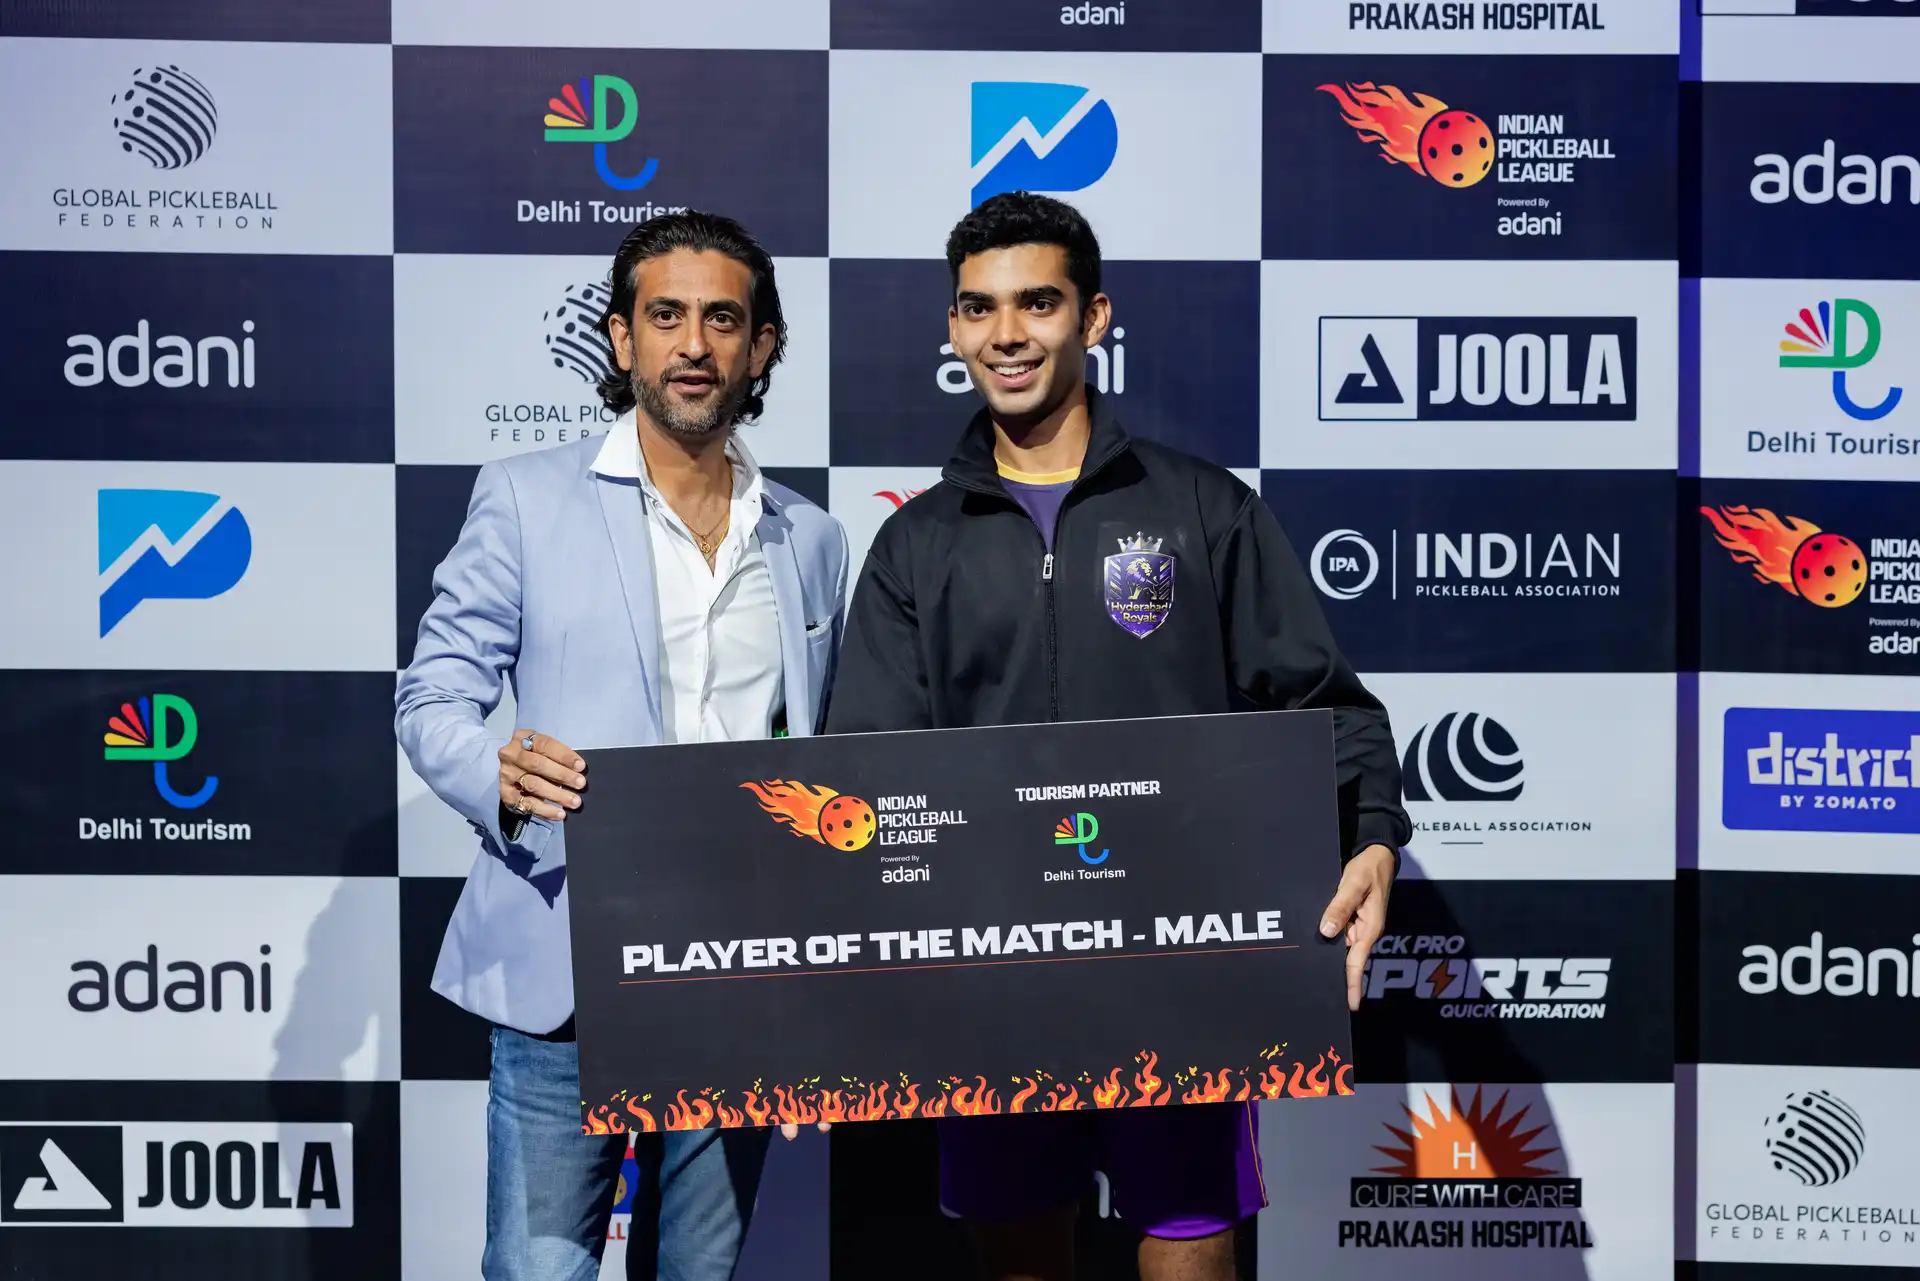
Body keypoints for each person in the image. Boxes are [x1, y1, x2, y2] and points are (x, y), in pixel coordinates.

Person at [823, 192, 1411, 1281]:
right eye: (979, 308)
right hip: (990, 979)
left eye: (1037, 303)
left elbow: (1324, 706)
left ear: (1094, 317)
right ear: (953, 327)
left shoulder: (1203, 508)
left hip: (1181, 966)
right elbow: (869, 769)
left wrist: (1372, 831)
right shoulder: (915, 545)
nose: (1007, 334)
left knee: (1190, 1244)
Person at [397, 211, 848, 1281]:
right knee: (539, 1270)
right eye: (666, 316)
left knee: (704, 1271)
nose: (693, 344)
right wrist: (495, 770)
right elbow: (433, 696)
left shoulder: (812, 537)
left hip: (738, 974)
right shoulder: (524, 497)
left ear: (763, 346)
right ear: (621, 336)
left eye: (722, 320)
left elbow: (822, 756)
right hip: (569, 962)